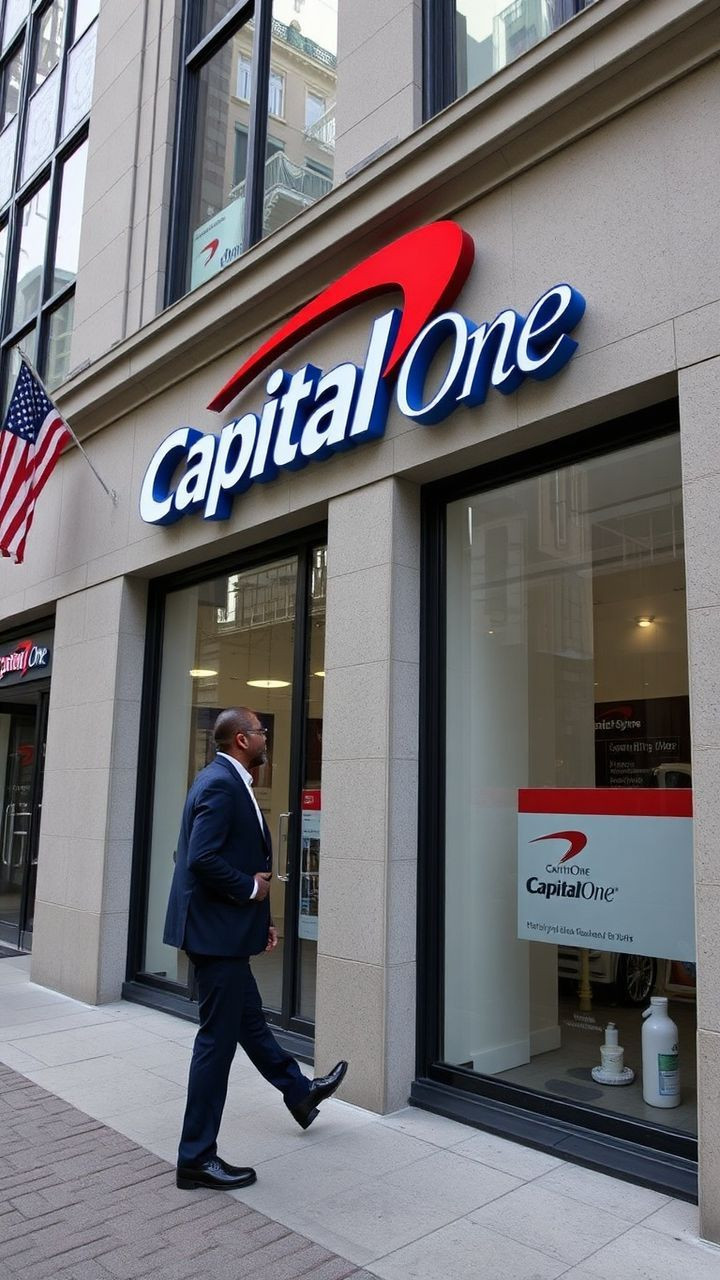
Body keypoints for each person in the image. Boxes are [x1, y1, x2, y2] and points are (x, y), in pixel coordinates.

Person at [164, 706, 347, 1191]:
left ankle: (300, 1093)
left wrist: (258, 918)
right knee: (215, 1045)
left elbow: (232, 855)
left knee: (248, 1022)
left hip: (224, 931)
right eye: (261, 731)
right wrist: (251, 890)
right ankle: (196, 1158)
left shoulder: (225, 780)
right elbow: (200, 858)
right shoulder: (220, 784)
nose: (267, 737)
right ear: (242, 740)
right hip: (214, 936)